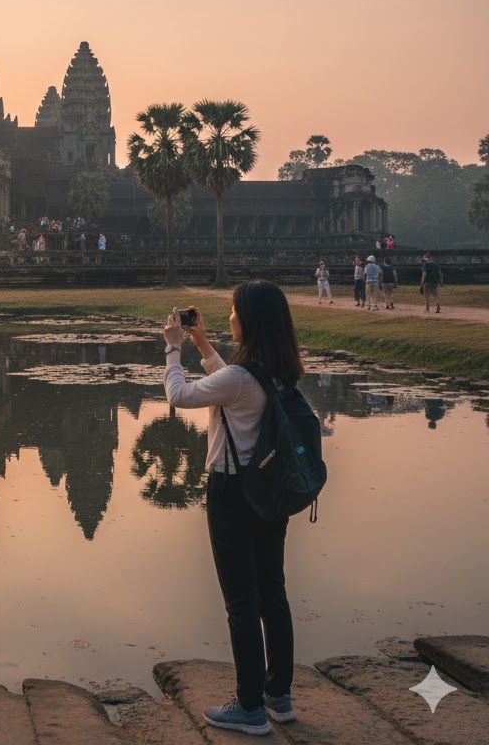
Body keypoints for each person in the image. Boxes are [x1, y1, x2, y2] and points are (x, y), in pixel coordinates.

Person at [162, 281, 303, 734]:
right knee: (272, 593)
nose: (229, 318)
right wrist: (203, 344)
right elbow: (235, 388)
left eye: (234, 311)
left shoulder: (241, 378)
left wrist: (174, 348)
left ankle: (249, 707)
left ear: (250, 321)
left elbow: (179, 396)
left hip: (232, 494)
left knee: (241, 602)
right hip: (271, 493)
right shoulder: (280, 370)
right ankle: (278, 695)